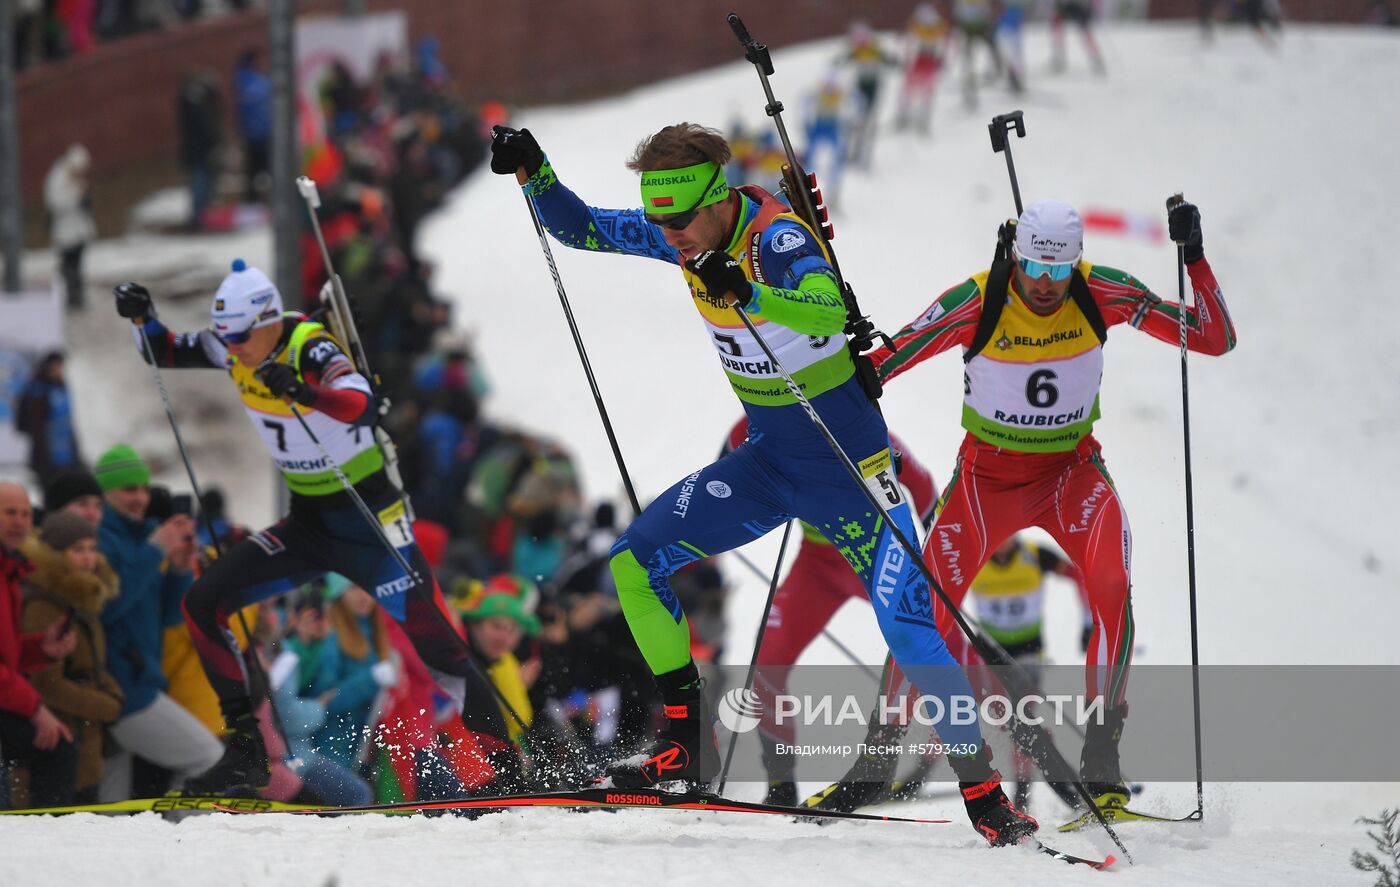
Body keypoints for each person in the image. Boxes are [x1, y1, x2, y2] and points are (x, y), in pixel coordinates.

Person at [490, 122, 1037, 845]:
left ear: (718, 199)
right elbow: (582, 228)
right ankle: (687, 749)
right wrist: (536, 171)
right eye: (658, 219)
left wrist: (748, 290)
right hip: (771, 466)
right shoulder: (679, 234)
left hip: (855, 478)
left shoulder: (777, 240)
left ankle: (986, 796)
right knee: (631, 562)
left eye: (680, 219)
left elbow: (828, 311)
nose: (668, 234)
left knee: (911, 631)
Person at [871, 198, 1236, 815]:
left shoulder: (1102, 292)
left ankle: (1103, 762)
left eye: (1058, 270)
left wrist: (1194, 259)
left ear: (1076, 263)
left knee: (1112, 588)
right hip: (986, 484)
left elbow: (1213, 337)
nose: (1044, 284)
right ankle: (875, 761)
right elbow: (886, 361)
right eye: (1034, 267)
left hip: (1071, 476)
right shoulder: (979, 299)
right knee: (921, 609)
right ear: (1016, 253)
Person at [111, 260, 520, 797]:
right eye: (225, 338)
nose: (230, 349)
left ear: (267, 322)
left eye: (239, 338)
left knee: (441, 648)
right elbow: (159, 349)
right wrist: (144, 316)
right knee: (203, 603)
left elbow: (361, 404)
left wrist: (305, 393)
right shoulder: (228, 343)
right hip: (309, 525)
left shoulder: (309, 345)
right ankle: (247, 751)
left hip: (371, 526)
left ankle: (506, 769)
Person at [718, 417, 941, 807]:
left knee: (922, 646)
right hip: (818, 565)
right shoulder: (751, 425)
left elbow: (921, 490)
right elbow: (723, 483)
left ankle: (924, 758)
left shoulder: (845, 416)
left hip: (874, 556)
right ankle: (780, 786)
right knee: (767, 663)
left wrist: (935, 568)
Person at [93, 444, 224, 799]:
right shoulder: (100, 539)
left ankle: (135, 851)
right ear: (105, 493)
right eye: (128, 489)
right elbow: (106, 608)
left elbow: (166, 616)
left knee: (111, 803)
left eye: (143, 488)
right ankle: (185, 845)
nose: (139, 498)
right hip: (122, 687)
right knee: (210, 761)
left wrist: (180, 569)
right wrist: (154, 552)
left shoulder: (143, 536)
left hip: (138, 681)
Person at [20, 511, 125, 804]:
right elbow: (47, 684)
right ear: (55, 554)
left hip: (83, 745)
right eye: (77, 549)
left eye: (92, 549)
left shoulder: (82, 599)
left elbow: (93, 665)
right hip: (57, 746)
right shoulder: (46, 605)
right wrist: (107, 706)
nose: (88, 558)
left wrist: (113, 696)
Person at [0, 482, 78, 809]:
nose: (19, 521)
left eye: (26, 514)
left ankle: (46, 841)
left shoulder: (10, 571)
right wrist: (35, 707)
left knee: (59, 747)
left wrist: (40, 649)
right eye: (9, 513)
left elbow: (7, 654)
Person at [14, 352, 81, 485]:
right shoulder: (37, 389)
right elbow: (31, 425)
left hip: (67, 455)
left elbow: (68, 421)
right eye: (56, 367)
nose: (59, 371)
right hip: (47, 456)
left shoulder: (62, 385)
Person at [43, 145, 96, 309]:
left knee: (77, 264)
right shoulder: (58, 178)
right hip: (65, 230)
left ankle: (77, 296)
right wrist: (77, 198)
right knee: (68, 265)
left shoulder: (75, 179)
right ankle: (70, 296)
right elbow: (55, 203)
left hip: (78, 230)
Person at [896, 3, 952, 134]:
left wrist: (942, 59)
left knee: (926, 91)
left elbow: (945, 43)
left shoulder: (938, 26)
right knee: (910, 88)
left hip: (930, 61)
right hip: (919, 59)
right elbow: (908, 41)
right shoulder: (917, 25)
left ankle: (922, 118)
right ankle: (904, 115)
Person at [233, 50, 271, 201]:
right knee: (261, 168)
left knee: (254, 170)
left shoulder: (241, 80)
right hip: (259, 132)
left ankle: (254, 198)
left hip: (252, 132)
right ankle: (258, 199)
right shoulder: (256, 82)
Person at [1050, 1, 1107, 76]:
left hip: (1081, 8)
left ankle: (1097, 60)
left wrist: (1093, 8)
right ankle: (1058, 58)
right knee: (1056, 23)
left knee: (1086, 33)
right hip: (1067, 7)